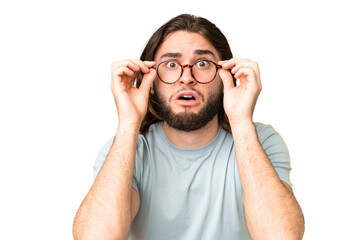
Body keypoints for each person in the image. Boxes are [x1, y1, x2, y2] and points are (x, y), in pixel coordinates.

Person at [73, 14, 305, 240]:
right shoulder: (126, 149)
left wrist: (242, 122)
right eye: (171, 64)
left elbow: (280, 236)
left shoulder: (261, 141)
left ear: (225, 76)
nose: (186, 78)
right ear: (151, 82)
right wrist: (128, 124)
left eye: (202, 63)